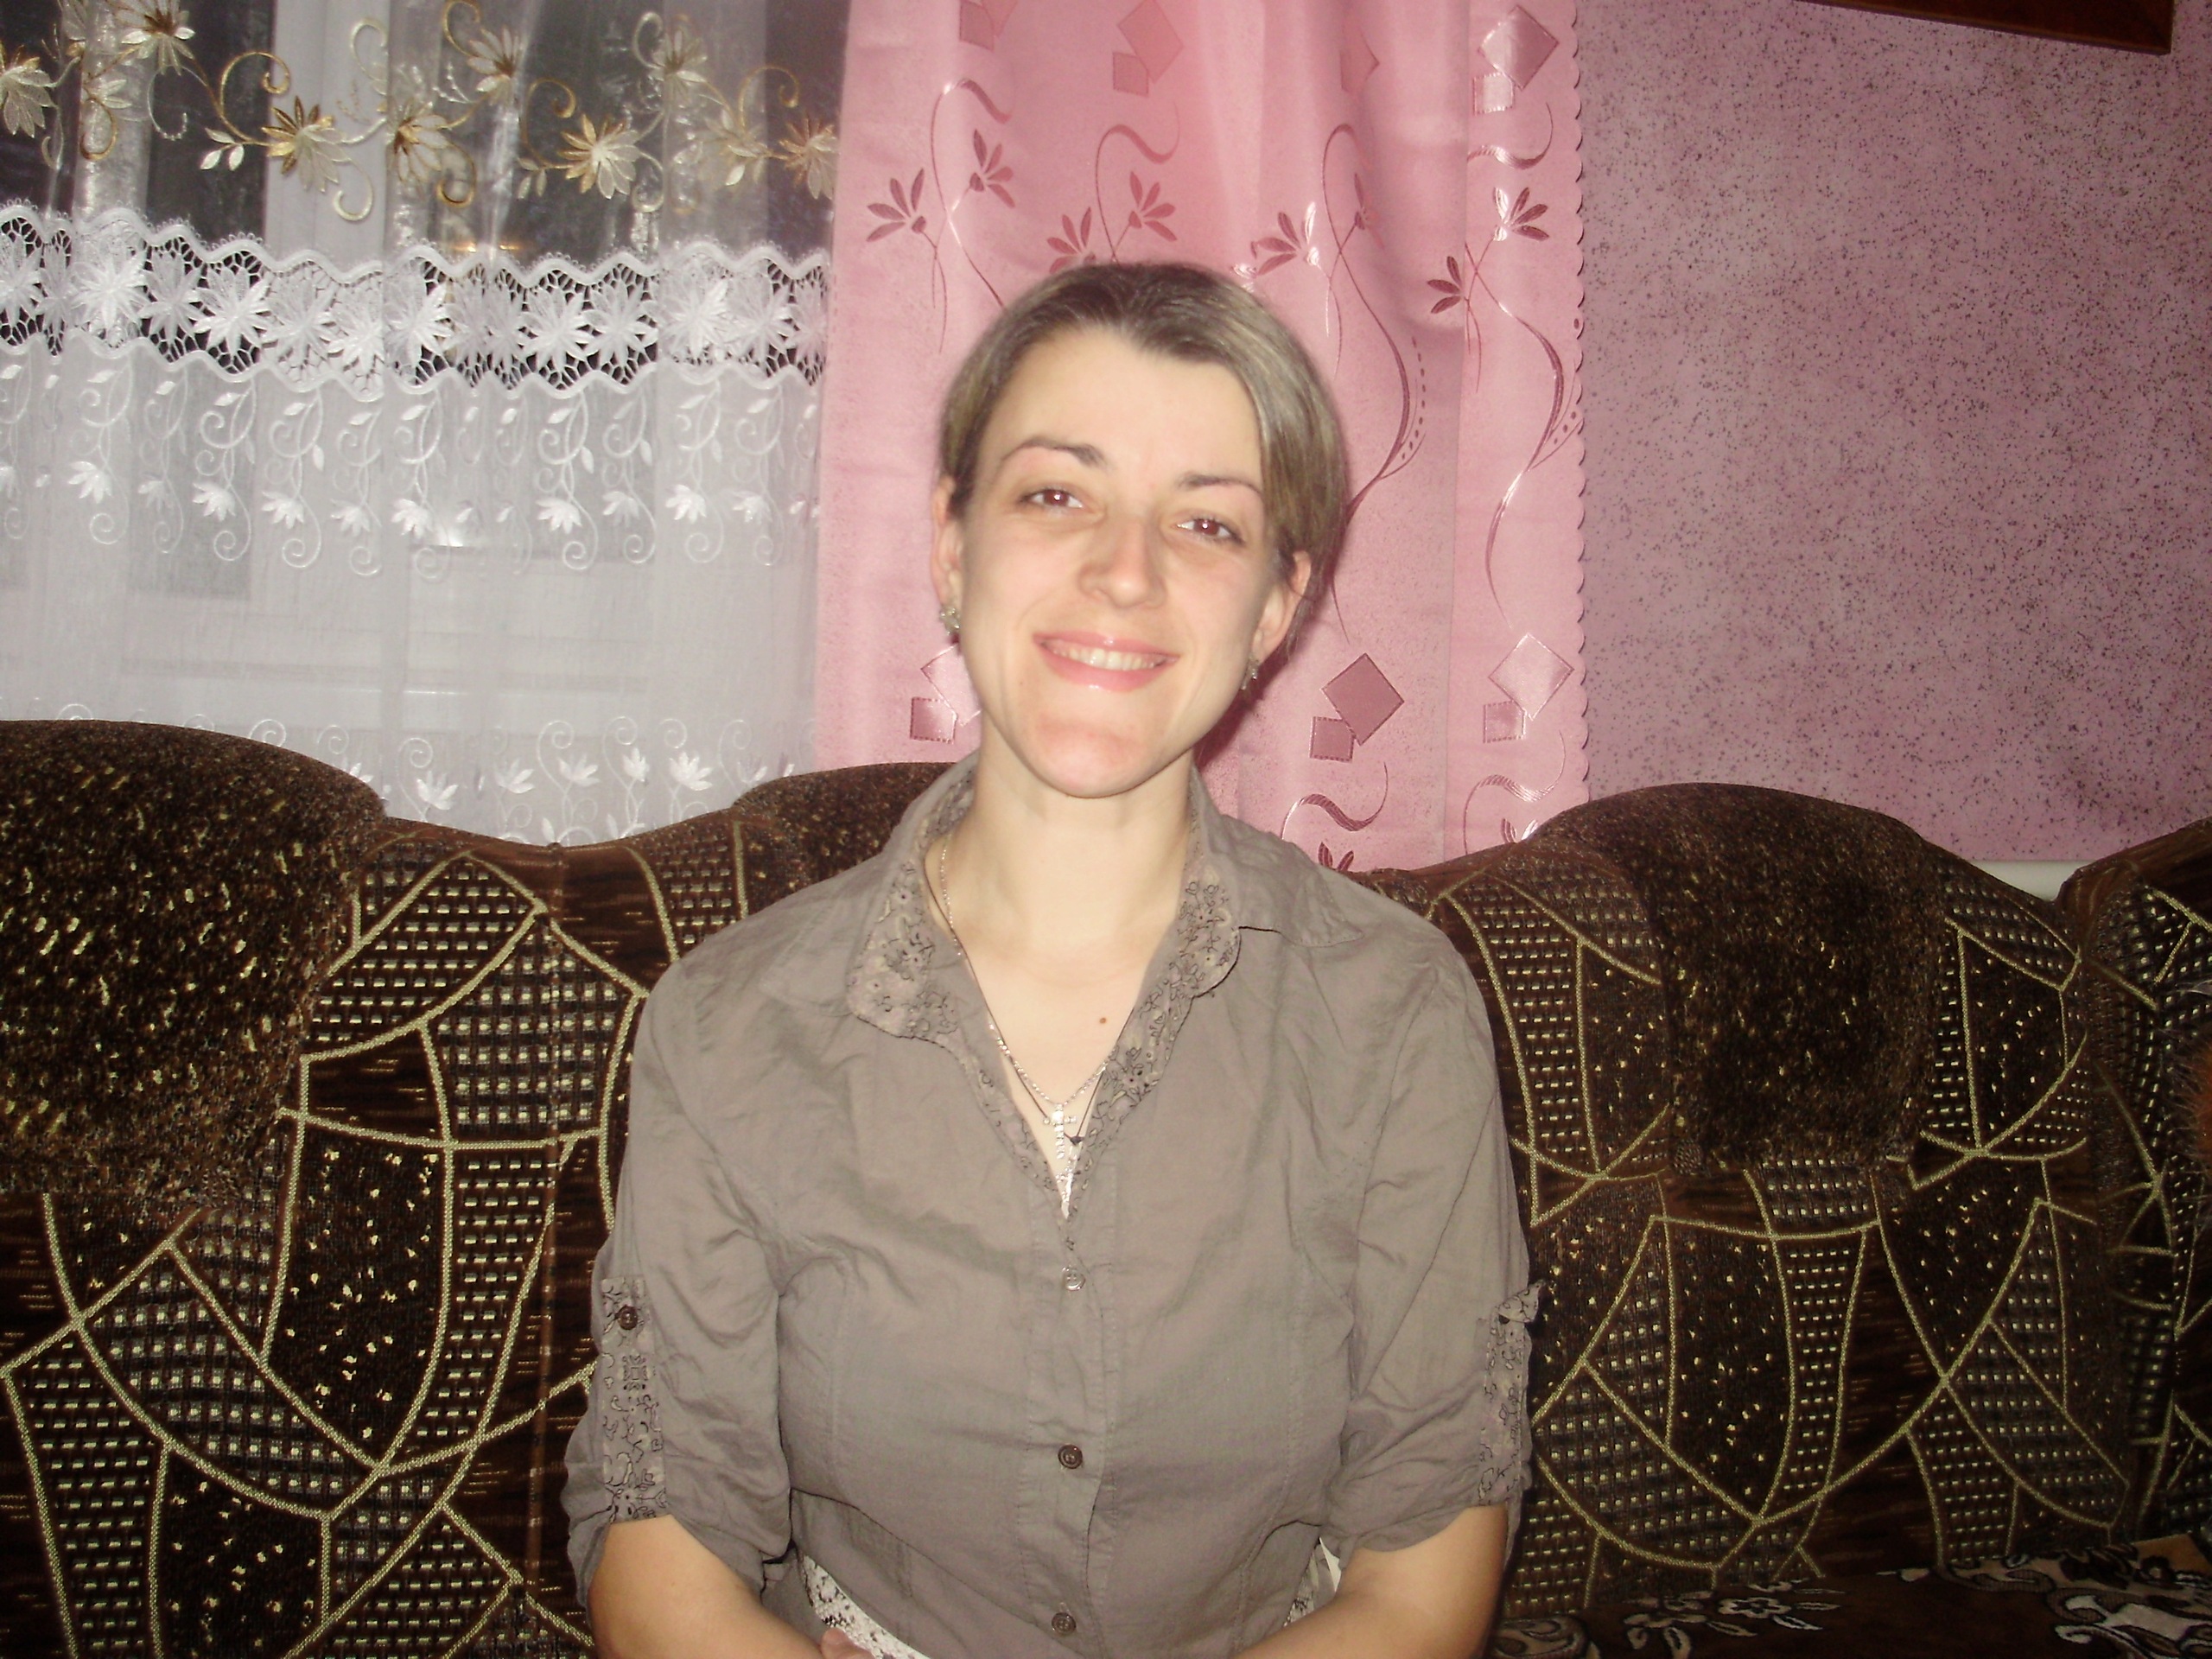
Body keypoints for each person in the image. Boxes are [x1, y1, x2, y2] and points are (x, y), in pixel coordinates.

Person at [563, 262, 1535, 1659]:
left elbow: (1425, 1567)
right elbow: (661, 1533)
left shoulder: (1398, 1013)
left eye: (1207, 521)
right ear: (952, 547)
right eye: (1057, 495)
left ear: (1275, 606)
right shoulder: (727, 1025)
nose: (1126, 572)